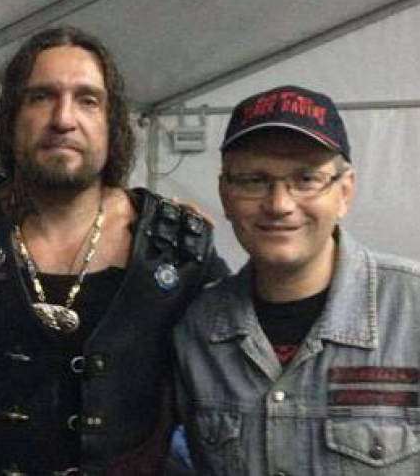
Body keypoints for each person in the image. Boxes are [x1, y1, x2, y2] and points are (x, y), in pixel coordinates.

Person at [0, 26, 228, 475]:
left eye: (87, 100)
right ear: (11, 118)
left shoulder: (178, 251)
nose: (63, 119)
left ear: (112, 124)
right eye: (41, 96)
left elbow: (228, 401)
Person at [173, 85, 420, 474]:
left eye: (306, 179)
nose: (279, 204)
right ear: (225, 194)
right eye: (253, 180)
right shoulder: (197, 329)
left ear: (345, 192)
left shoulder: (410, 312)